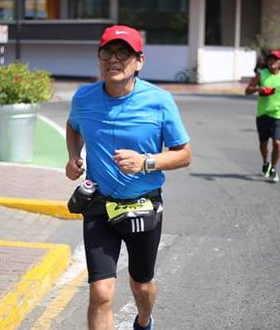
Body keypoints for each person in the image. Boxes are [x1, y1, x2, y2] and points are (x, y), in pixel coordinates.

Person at [66, 25, 191, 330]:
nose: (114, 59)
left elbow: (184, 154)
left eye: (124, 52)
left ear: (140, 60)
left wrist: (145, 162)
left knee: (142, 285)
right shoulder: (84, 98)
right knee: (100, 292)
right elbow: (73, 126)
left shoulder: (159, 101)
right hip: (98, 204)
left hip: (143, 206)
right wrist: (73, 156)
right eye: (107, 51)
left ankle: (144, 322)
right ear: (99, 57)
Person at [245, 50, 280, 183]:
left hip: (279, 114)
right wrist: (258, 89)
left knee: (277, 142)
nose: (271, 62)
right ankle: (265, 162)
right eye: (270, 59)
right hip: (263, 114)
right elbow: (247, 90)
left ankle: (273, 168)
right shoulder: (261, 74)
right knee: (263, 143)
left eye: (275, 60)